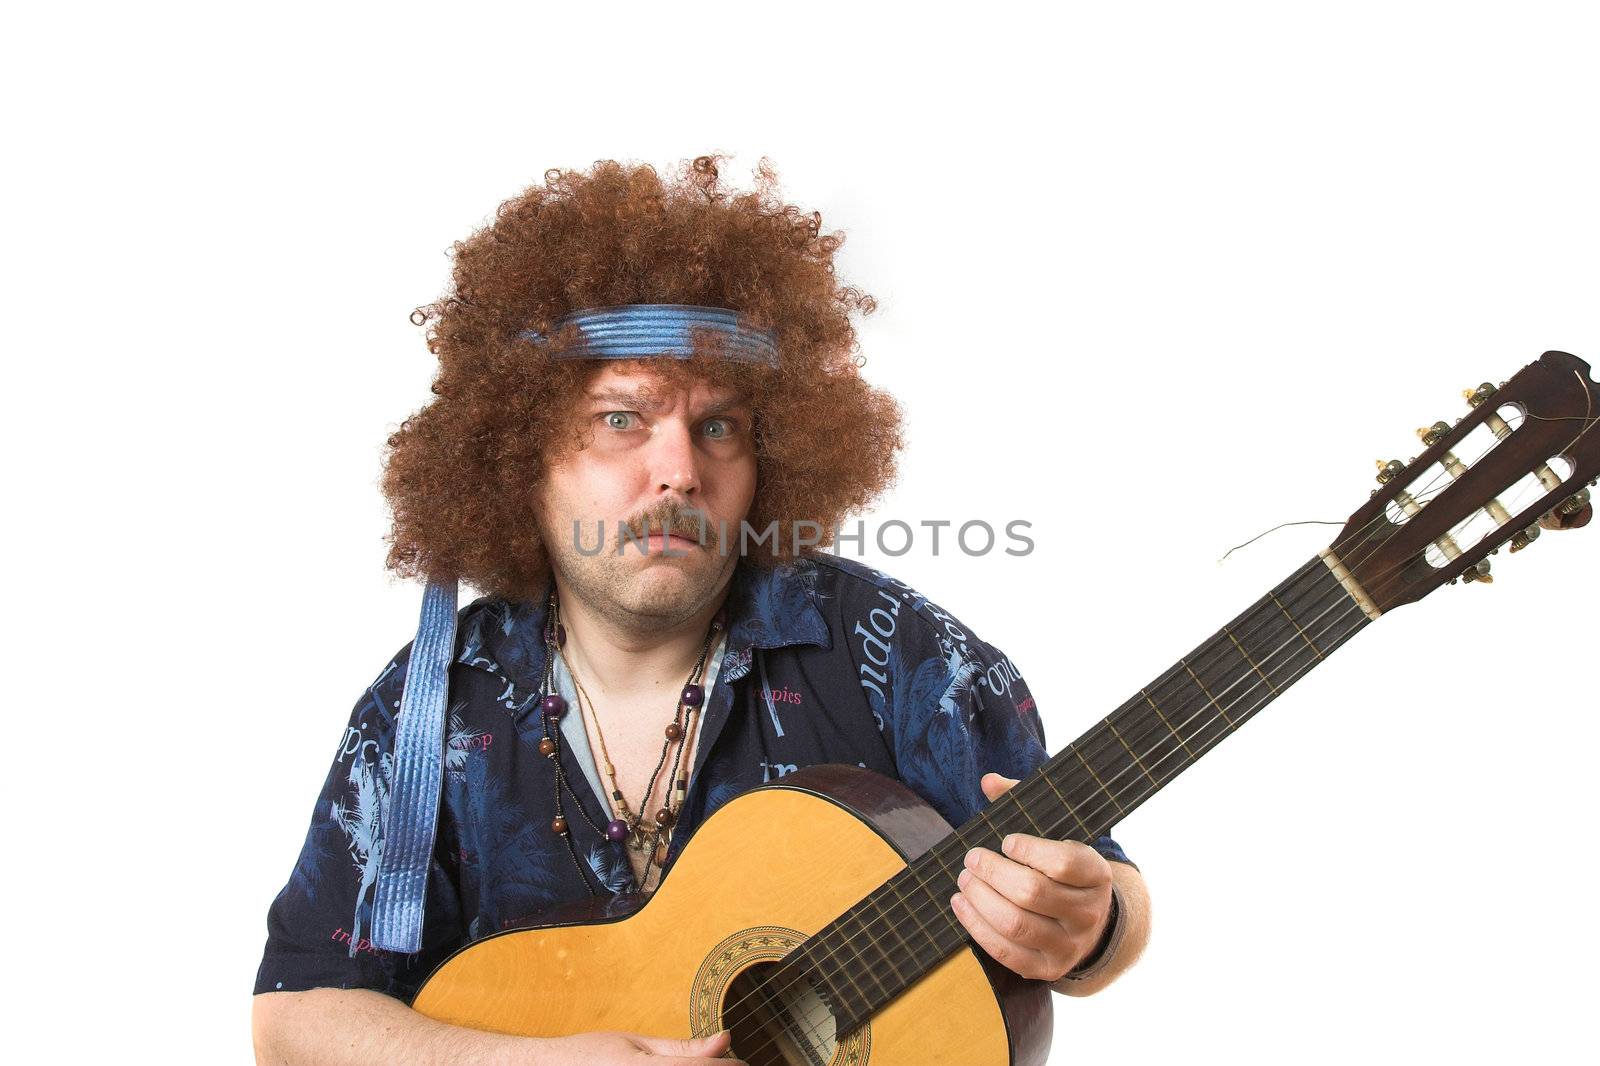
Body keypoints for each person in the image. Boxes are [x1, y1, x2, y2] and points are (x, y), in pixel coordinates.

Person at [251, 155, 1152, 1065]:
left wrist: (1092, 925)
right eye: (621, 420)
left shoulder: (889, 650)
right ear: (517, 456)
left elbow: (1101, 882)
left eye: (718, 426)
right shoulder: (430, 706)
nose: (680, 468)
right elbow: (294, 1019)